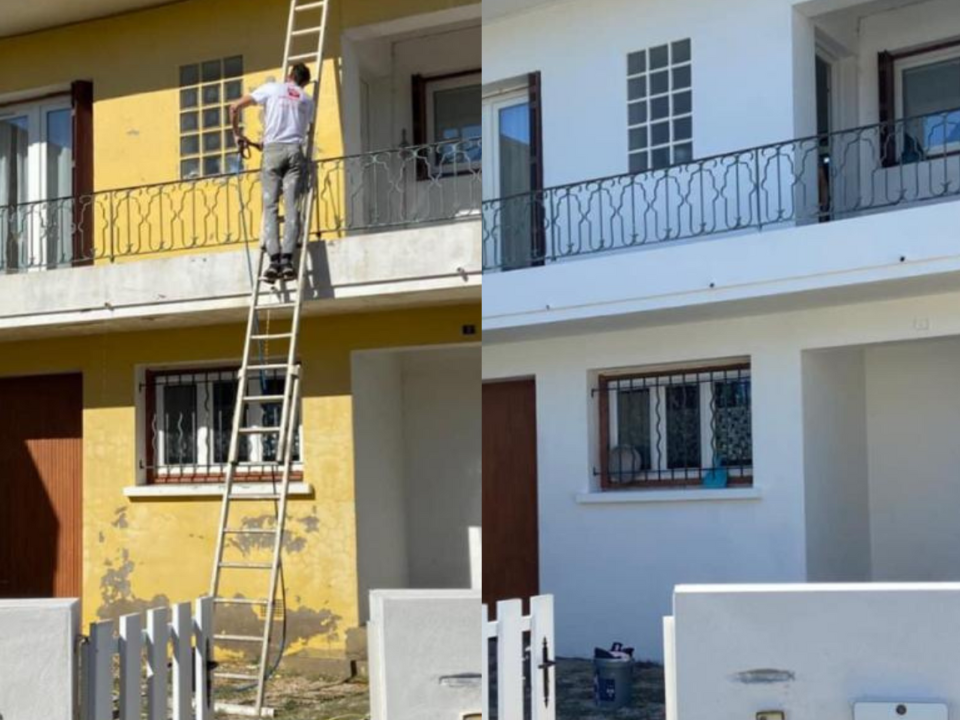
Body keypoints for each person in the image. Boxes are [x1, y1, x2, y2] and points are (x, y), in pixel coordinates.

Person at [230, 63, 315, 282]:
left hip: (273, 154)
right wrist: (262, 143)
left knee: (270, 206)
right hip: (295, 153)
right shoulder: (307, 99)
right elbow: (298, 130)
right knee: (291, 207)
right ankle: (288, 260)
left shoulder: (272, 88)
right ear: (304, 82)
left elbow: (235, 107)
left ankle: (274, 260)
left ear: (288, 76)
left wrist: (237, 134)